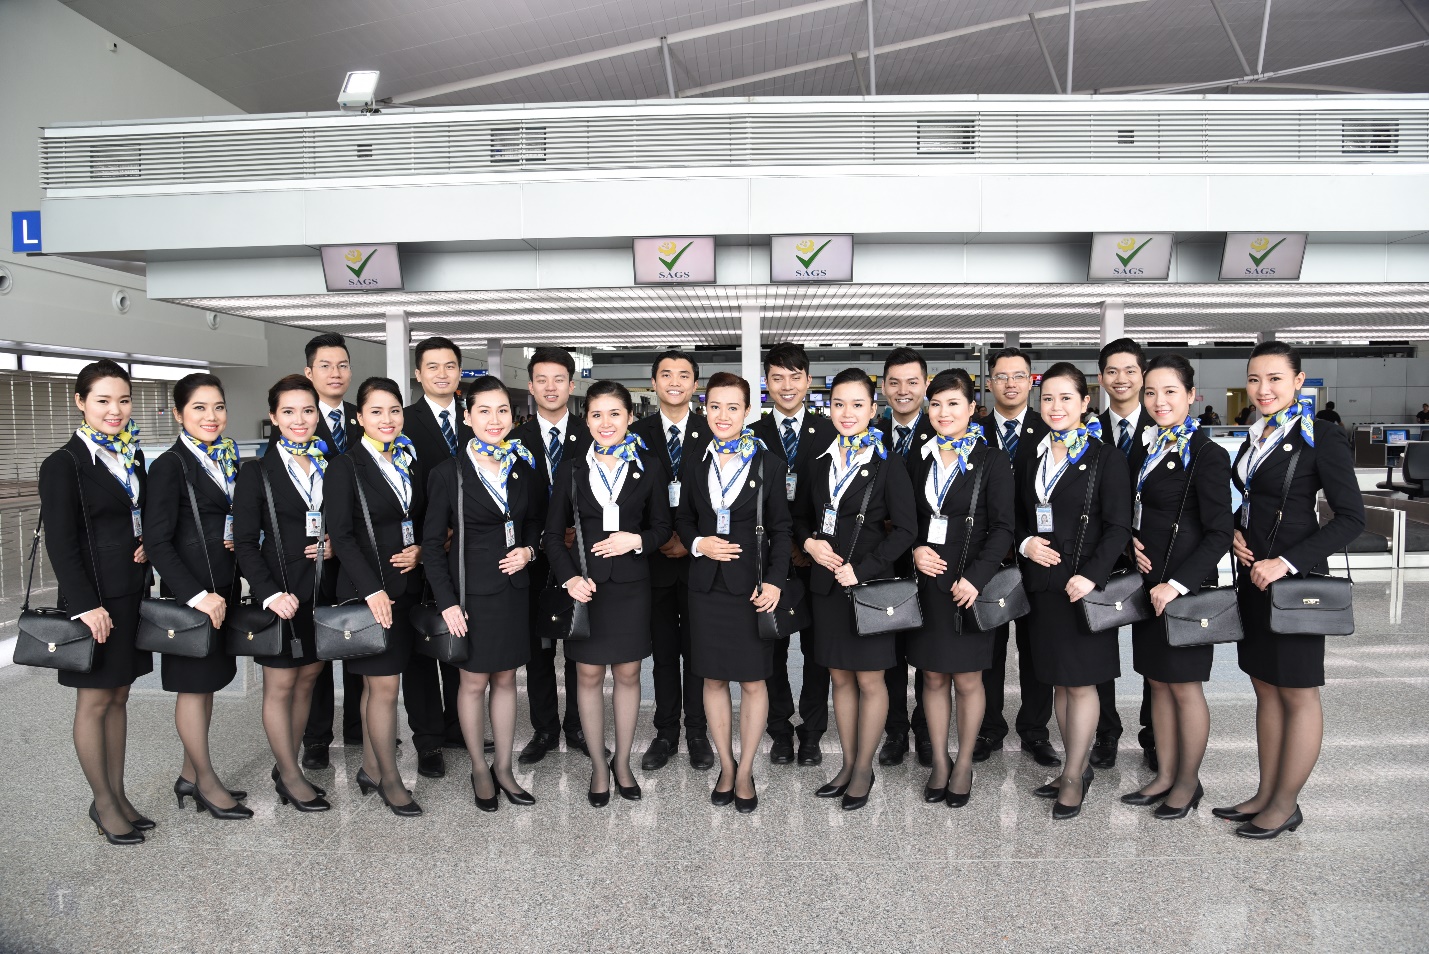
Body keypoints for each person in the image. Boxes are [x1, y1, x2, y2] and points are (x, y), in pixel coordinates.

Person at [1220, 342, 1364, 838]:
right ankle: (1266, 792)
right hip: (1254, 581)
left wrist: (1286, 562)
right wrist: (1235, 530)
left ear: (1299, 382)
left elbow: (1350, 518)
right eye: (1254, 379)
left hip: (1295, 585)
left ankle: (1286, 804)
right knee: (1265, 687)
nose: (1263, 389)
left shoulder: (1321, 435)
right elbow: (1256, 499)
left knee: (1299, 693)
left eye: (1275, 378)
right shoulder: (1257, 431)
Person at [794, 367, 917, 811]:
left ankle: (864, 768)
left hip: (868, 589)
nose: (847, 413)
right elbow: (801, 516)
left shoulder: (887, 462)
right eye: (839, 404)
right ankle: (846, 764)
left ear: (873, 408)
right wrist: (809, 543)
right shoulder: (818, 457)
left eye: (857, 404)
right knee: (839, 678)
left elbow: (906, 530)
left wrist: (862, 570)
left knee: (870, 679)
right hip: (826, 588)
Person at [41, 359, 154, 844]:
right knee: (94, 699)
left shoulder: (131, 454)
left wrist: (147, 542)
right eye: (103, 400)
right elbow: (61, 543)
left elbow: (133, 514)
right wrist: (85, 605)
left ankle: (118, 793)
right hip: (94, 601)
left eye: (123, 400)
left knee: (120, 695)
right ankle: (102, 802)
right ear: (80, 402)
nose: (115, 410)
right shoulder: (63, 464)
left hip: (130, 592)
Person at [544, 381, 672, 807]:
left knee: (629, 674)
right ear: (586, 419)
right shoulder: (571, 468)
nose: (605, 423)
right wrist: (569, 579)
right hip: (587, 587)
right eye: (596, 414)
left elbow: (662, 528)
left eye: (614, 414)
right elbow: (551, 535)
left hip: (631, 587)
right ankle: (599, 765)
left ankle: (623, 762)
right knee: (588, 675)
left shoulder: (648, 466)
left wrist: (636, 540)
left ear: (629, 418)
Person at [1015, 362, 1132, 820]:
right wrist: (1025, 542)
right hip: (1044, 589)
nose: (1055, 406)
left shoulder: (1106, 458)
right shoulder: (1032, 455)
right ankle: (1075, 767)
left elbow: (1119, 527)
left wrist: (1093, 576)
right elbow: (1017, 517)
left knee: (1081, 685)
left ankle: (1073, 777)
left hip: (1082, 589)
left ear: (1085, 402)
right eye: (1047, 398)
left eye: (1066, 397)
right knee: (1060, 683)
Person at [423, 375, 542, 812]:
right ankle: (478, 768)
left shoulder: (522, 465)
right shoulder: (448, 473)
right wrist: (447, 603)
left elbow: (535, 521)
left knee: (507, 678)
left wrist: (529, 550)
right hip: (469, 596)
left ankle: (504, 768)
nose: (495, 420)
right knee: (473, 682)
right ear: (468, 417)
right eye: (485, 411)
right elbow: (431, 546)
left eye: (503, 411)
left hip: (512, 591)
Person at [1121, 356, 1233, 819]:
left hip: (1185, 590)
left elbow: (1220, 533)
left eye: (1170, 391)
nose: (1159, 401)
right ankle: (1165, 774)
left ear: (1191, 395)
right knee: (1157, 683)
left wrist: (1177, 584)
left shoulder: (1207, 455)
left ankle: (1188, 782)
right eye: (1150, 392)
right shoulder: (1145, 447)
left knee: (1185, 688)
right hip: (1148, 586)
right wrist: (1129, 542)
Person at [677, 372, 792, 812]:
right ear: (705, 409)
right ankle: (726, 765)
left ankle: (746, 771)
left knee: (754, 680)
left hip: (752, 588)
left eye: (732, 407)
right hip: (706, 588)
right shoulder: (695, 459)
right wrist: (698, 543)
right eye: (715, 407)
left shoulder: (768, 464)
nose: (722, 416)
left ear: (747, 411)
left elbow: (782, 530)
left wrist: (775, 581)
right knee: (713, 678)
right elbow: (684, 519)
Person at [144, 373, 251, 821]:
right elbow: (157, 542)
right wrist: (196, 596)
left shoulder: (225, 458)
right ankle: (206, 783)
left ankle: (189, 776)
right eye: (199, 408)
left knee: (206, 686)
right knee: (192, 688)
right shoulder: (170, 465)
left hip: (222, 588)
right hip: (193, 596)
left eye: (218, 407)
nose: (211, 416)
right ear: (178, 413)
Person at [907, 369, 1013, 807]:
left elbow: (1004, 528)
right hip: (928, 584)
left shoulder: (992, 460)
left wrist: (976, 577)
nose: (943, 412)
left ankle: (965, 762)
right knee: (932, 676)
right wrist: (915, 548)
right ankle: (940, 761)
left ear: (972, 408)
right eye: (936, 404)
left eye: (953, 404)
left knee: (969, 679)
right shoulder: (919, 458)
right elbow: (905, 520)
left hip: (969, 586)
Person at [324, 377, 426, 817]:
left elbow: (415, 518)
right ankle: (390, 779)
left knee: (376, 686)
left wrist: (420, 550)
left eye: (394, 410)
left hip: (405, 588)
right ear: (359, 417)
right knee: (383, 687)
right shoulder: (345, 466)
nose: (388, 419)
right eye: (377, 411)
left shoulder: (406, 459)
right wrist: (371, 590)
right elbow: (342, 536)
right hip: (369, 593)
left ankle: (369, 767)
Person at [233, 375, 331, 813]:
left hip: (320, 590)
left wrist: (333, 544)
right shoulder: (256, 472)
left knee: (308, 677)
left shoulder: (328, 463)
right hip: (282, 594)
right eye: (288, 411)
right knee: (280, 684)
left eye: (307, 410)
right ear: (273, 417)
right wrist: (270, 593)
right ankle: (291, 776)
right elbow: (244, 543)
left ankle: (286, 763)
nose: (299, 419)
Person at [749, 342, 838, 766]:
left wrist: (809, 545)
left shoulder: (831, 431)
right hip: (770, 563)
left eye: (795, 377)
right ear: (766, 383)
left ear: (808, 381)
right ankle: (780, 729)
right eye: (777, 378)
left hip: (819, 557)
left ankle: (813, 731)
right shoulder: (751, 435)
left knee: (819, 650)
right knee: (773, 647)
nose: (787, 386)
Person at [509, 347, 593, 763]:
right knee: (538, 649)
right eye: (541, 380)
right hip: (531, 558)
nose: (550, 387)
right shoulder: (512, 440)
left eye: (559, 379)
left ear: (571, 385)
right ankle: (544, 729)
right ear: (530, 386)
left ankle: (577, 725)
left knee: (580, 644)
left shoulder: (591, 432)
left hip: (581, 556)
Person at [630, 349, 712, 771]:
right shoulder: (634, 433)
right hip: (654, 558)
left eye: (683, 375)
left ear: (695, 384)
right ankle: (665, 732)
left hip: (700, 560)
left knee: (698, 653)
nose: (674, 382)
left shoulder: (712, 428)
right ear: (654, 382)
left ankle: (697, 731)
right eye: (666, 374)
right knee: (663, 654)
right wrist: (659, 536)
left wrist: (689, 538)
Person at [976, 347, 1057, 768]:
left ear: (1031, 381)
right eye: (1002, 376)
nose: (1010, 384)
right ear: (989, 383)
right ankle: (988, 728)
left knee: (1036, 647)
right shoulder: (972, 430)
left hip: (1038, 555)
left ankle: (1035, 730)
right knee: (987, 649)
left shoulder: (1052, 429)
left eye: (1019, 376)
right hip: (986, 558)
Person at [401, 336, 475, 778]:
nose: (442, 374)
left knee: (458, 634)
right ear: (418, 374)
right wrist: (427, 539)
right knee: (421, 648)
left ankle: (457, 726)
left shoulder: (476, 418)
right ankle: (427, 738)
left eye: (450, 366)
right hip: (417, 552)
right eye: (432, 367)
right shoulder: (403, 421)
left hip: (464, 554)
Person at [295, 332, 363, 773]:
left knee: (360, 637)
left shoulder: (365, 417)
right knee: (316, 650)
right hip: (312, 556)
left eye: (342, 365)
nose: (335, 373)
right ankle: (317, 737)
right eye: (325, 365)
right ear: (309, 372)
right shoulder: (297, 420)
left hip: (357, 553)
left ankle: (359, 725)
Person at [1093, 338, 1157, 770]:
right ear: (1101, 379)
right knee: (1097, 648)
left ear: (1142, 374)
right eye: (1112, 371)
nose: (1121, 379)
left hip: (1151, 555)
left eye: (1130, 370)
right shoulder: (1087, 430)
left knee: (1154, 650)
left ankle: (1154, 733)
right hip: (1102, 555)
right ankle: (1105, 731)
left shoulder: (1166, 424)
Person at [878, 347, 937, 768]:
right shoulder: (871, 432)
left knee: (929, 653)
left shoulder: (945, 429)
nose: (903, 390)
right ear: (884, 388)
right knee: (890, 653)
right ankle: (896, 729)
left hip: (930, 559)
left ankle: (927, 729)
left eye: (912, 382)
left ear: (926, 385)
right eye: (895, 382)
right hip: (883, 560)